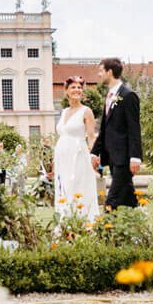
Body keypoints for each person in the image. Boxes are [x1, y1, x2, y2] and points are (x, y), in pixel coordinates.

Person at [90, 57, 144, 209]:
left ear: (110, 72)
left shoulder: (128, 96)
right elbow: (105, 129)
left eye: (101, 71)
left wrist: (135, 156)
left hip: (124, 158)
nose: (98, 75)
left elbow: (134, 128)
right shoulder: (109, 97)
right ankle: (141, 228)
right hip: (113, 157)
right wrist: (95, 152)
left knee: (111, 201)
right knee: (128, 199)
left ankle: (106, 231)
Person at [53, 79, 100, 221]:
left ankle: (84, 222)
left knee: (78, 187)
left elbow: (91, 137)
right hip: (62, 156)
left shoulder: (86, 111)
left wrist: (94, 155)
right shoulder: (64, 112)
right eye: (73, 87)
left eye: (79, 87)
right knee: (64, 188)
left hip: (79, 155)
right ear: (66, 91)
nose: (77, 90)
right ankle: (65, 222)